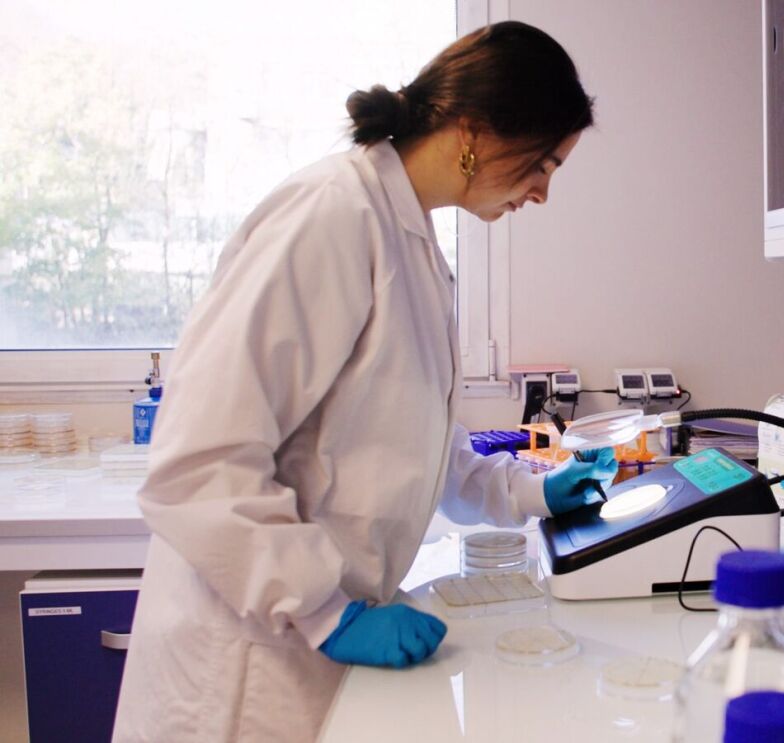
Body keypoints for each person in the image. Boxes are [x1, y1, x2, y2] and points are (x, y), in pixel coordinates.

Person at [112, 21, 605, 742]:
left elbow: (405, 445)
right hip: (243, 662)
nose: (542, 193)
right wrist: (325, 612)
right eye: (542, 165)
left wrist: (527, 489)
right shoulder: (332, 216)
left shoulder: (414, 243)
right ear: (475, 132)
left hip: (307, 650)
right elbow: (198, 461)